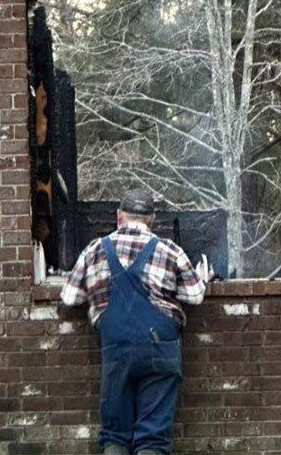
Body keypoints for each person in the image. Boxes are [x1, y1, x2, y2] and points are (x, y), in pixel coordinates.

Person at [61, 189, 214, 455]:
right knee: (153, 438)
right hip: (160, 348)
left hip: (116, 350)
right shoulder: (170, 250)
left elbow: (70, 297)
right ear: (152, 220)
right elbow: (196, 295)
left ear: (119, 216)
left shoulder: (94, 250)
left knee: (115, 437)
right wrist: (202, 277)